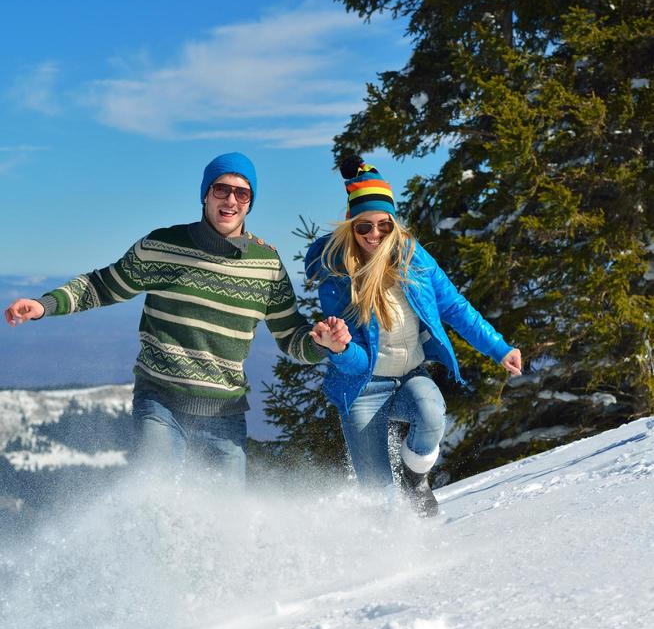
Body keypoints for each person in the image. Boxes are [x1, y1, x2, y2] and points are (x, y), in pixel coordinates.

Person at [4, 151, 349, 483]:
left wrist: (323, 344)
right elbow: (101, 285)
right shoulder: (162, 246)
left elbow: (292, 338)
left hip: (225, 415)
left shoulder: (267, 264)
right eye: (221, 189)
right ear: (205, 195)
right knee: (155, 502)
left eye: (242, 193)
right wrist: (44, 305)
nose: (231, 200)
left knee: (223, 520)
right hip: (161, 403)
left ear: (250, 202)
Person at [305, 155, 522, 517]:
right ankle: (390, 560)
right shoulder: (339, 276)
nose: (375, 235)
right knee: (377, 496)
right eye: (364, 227)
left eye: (384, 226)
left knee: (431, 411)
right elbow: (357, 358)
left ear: (394, 224)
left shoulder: (414, 258)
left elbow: (454, 306)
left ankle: (415, 480)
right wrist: (340, 348)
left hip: (409, 376)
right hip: (362, 387)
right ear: (350, 228)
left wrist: (498, 347)